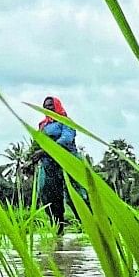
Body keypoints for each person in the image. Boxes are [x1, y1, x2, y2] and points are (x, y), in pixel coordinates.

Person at [35, 96, 78, 229]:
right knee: (48, 195)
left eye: (51, 105)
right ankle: (57, 226)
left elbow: (66, 139)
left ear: (57, 106)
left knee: (74, 194)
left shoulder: (65, 121)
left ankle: (85, 223)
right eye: (45, 106)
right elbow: (38, 144)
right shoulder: (42, 125)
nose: (48, 108)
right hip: (49, 165)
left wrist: (44, 151)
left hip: (66, 161)